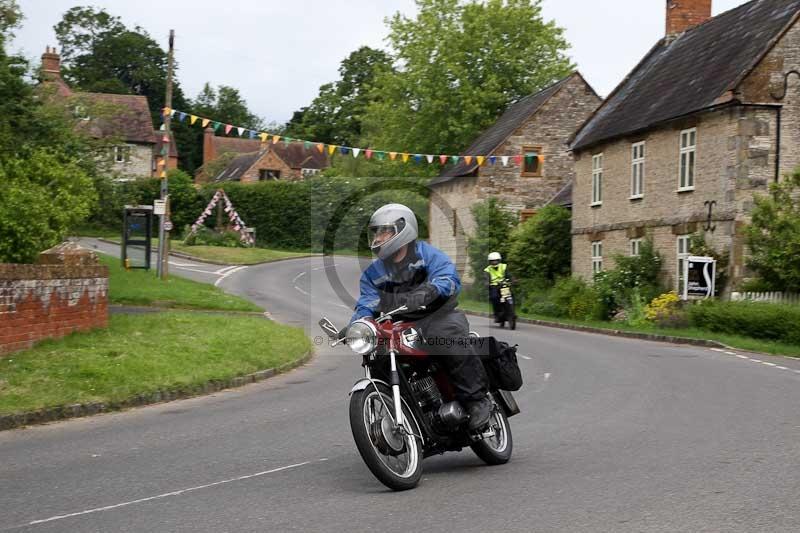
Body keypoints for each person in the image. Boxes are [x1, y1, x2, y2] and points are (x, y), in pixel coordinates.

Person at [348, 203, 492, 431]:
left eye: (385, 231)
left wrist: (432, 290)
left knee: (446, 338)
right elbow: (367, 302)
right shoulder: (373, 274)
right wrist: (360, 323)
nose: (379, 237)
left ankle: (476, 400)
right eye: (376, 232)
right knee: (379, 355)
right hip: (399, 324)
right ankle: (407, 411)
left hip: (437, 316)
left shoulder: (428, 255)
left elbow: (448, 277)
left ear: (403, 229)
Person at [484, 252, 510, 323]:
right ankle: (497, 314)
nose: (494, 262)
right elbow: (486, 278)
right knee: (494, 297)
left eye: (496, 260)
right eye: (492, 261)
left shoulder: (504, 266)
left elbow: (509, 275)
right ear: (489, 261)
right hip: (494, 286)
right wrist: (487, 283)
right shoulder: (487, 270)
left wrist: (513, 280)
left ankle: (511, 311)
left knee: (509, 296)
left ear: (499, 260)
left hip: (504, 285)